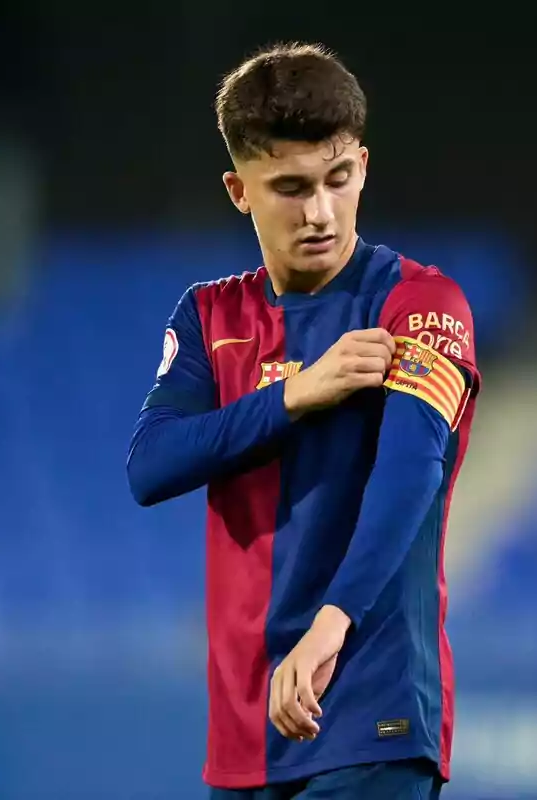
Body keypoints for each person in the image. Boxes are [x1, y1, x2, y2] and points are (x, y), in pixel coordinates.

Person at [127, 41, 481, 800]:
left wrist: (331, 625)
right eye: (289, 186)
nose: (320, 211)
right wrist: (296, 394)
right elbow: (150, 466)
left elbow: (411, 472)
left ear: (362, 164)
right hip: (244, 731)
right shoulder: (209, 315)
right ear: (238, 190)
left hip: (369, 707)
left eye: (338, 178)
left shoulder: (421, 305)